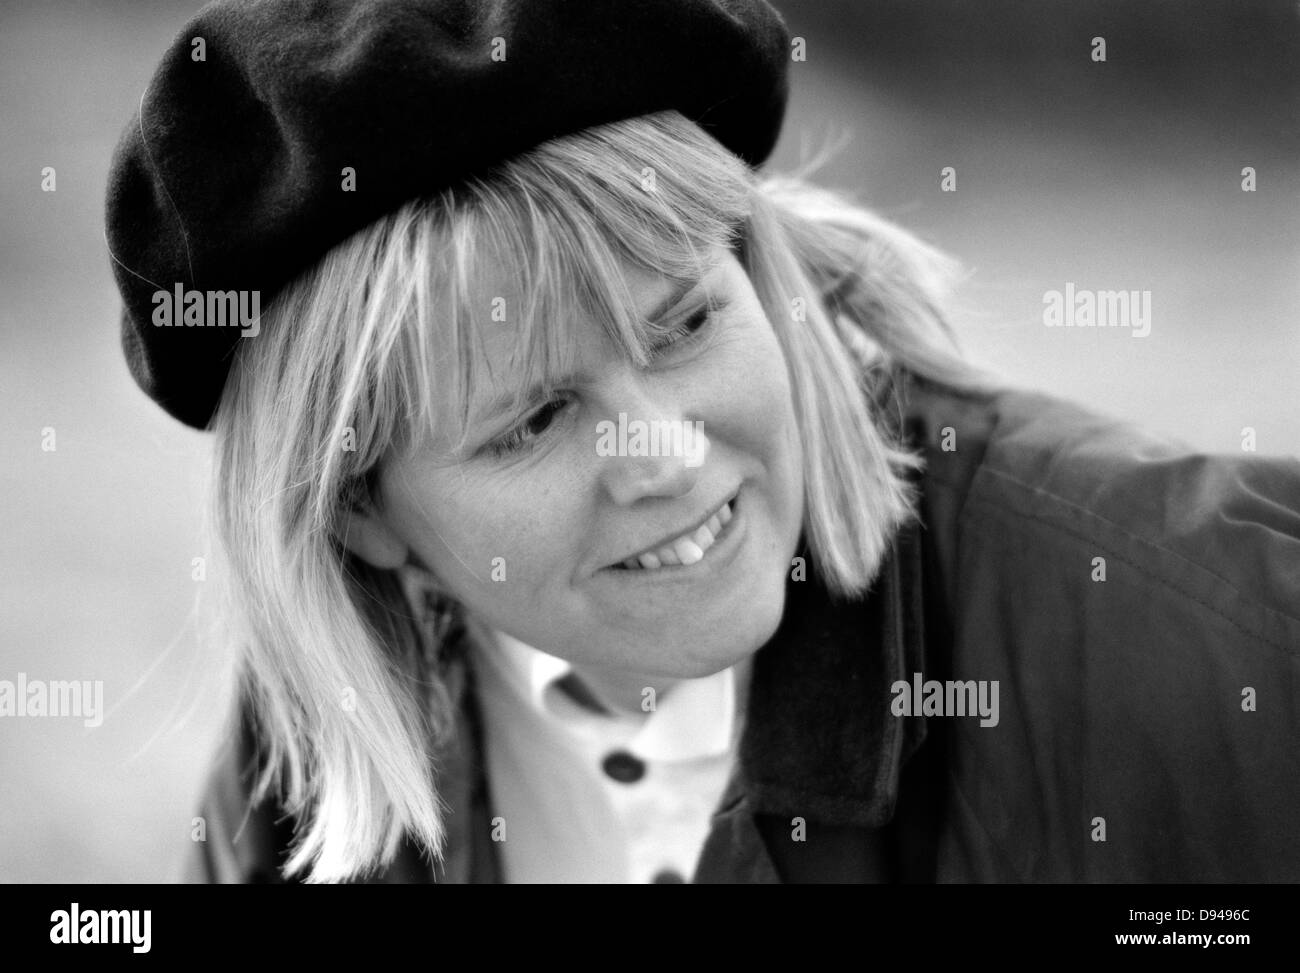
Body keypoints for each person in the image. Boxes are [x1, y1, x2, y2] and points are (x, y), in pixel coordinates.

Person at [105, 0, 1300, 884]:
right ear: (356, 511)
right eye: (531, 418)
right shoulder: (303, 778)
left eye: (682, 323)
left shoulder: (1223, 635)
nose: (664, 450)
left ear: (759, 278)